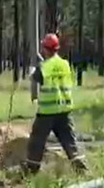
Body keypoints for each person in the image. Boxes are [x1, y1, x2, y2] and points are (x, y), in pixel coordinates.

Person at [22, 33, 88, 174]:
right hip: (64, 110)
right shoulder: (65, 64)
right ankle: (81, 169)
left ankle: (31, 170)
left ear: (45, 49)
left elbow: (35, 78)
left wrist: (33, 69)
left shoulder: (44, 67)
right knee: (70, 142)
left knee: (36, 142)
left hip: (47, 112)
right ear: (57, 49)